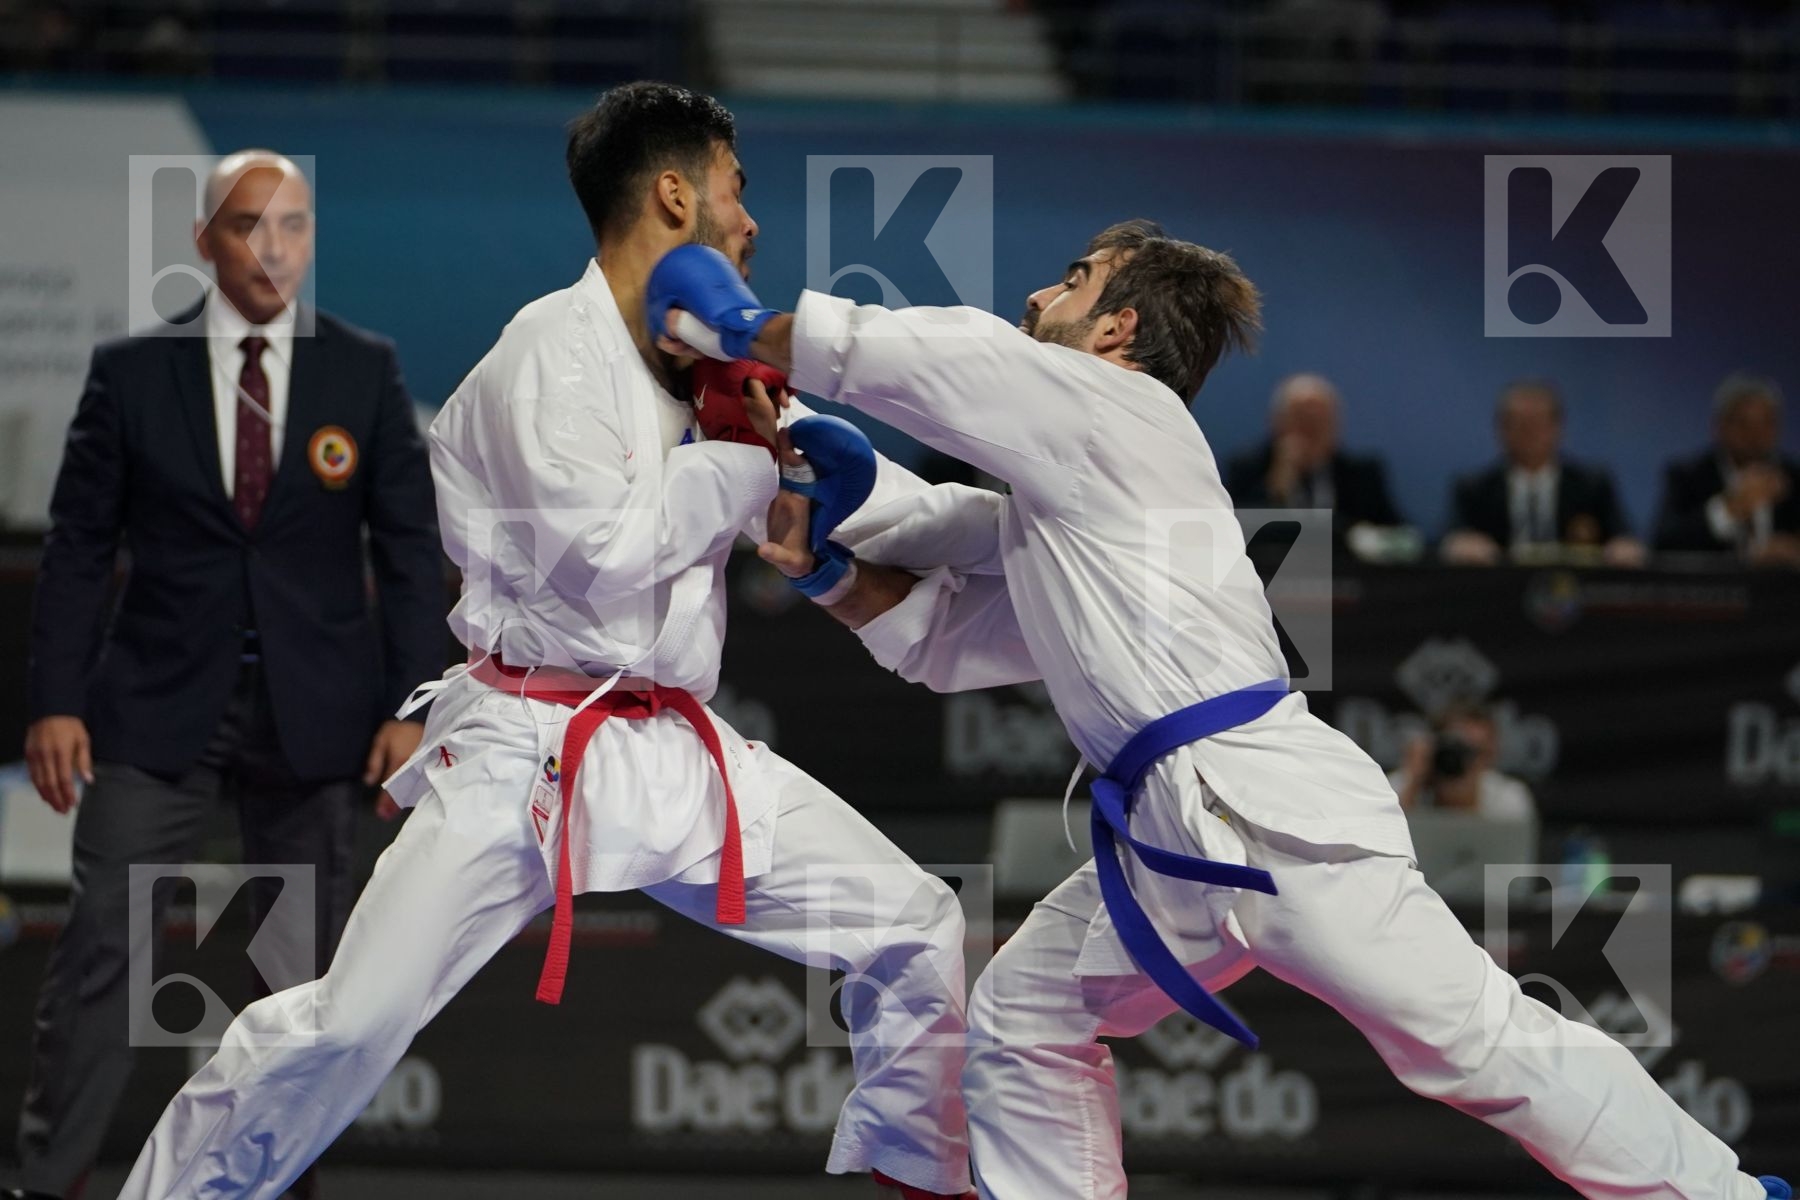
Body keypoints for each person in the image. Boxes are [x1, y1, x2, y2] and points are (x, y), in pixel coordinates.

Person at [650, 219, 1789, 1200]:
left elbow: (943, 366)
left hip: (1270, 812)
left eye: (1075, 278)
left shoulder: (1114, 410)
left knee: (1474, 1041)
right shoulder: (1079, 504)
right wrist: (832, 565)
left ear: (1117, 333)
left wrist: (751, 327)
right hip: (1160, 845)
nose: (1039, 292)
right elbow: (946, 640)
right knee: (1025, 1015)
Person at [110, 83, 974, 1200]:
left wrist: (1015, 523)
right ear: (675, 193)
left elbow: (877, 501)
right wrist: (761, 462)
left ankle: (924, 1180)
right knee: (349, 1025)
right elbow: (606, 555)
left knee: (918, 925)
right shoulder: (544, 355)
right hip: (525, 749)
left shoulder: (715, 373)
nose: (752, 220)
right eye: (736, 188)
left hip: (676, 748)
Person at [12, 151, 443, 1200]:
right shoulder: (129, 374)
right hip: (157, 705)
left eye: (292, 225)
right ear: (207, 242)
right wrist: (56, 699)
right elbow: (76, 545)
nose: (272, 246)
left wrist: (410, 703)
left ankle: (271, 1183)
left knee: (296, 978)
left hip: (318, 714)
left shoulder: (362, 370)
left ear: (309, 241)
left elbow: (407, 548)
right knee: (103, 951)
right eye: (249, 225)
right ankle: (52, 1178)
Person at [1441, 379, 1643, 566]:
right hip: (1498, 592)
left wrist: (1623, 547)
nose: (1529, 433)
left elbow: (1623, 538)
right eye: (1520, 424)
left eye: (1538, 423)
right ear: (1501, 429)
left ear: (1558, 428)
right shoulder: (1475, 488)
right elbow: (1449, 538)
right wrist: (1460, 543)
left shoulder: (1592, 485)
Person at [1223, 372, 1407, 547]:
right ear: (1276, 422)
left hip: (1344, 574)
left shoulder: (1361, 474)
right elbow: (1232, 529)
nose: (1311, 432)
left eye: (1320, 422)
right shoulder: (1249, 467)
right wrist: (1277, 486)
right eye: (1301, 421)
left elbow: (1398, 534)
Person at [1653, 372, 1800, 567]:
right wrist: (1729, 509)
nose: (1755, 436)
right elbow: (1663, 544)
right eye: (1744, 424)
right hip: (1711, 593)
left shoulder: (1793, 478)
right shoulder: (1688, 476)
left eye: (1766, 424)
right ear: (1719, 426)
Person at [1390, 703, 1535, 821]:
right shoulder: (1394, 789)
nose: (1467, 762)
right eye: (1458, 750)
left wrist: (1470, 803)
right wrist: (1413, 785)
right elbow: (1384, 842)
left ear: (1492, 755)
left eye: (1478, 753)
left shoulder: (1509, 797)